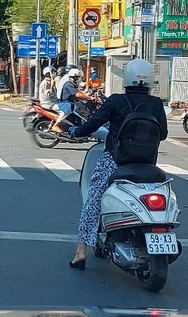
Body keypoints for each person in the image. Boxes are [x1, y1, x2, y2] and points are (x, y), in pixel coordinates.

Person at [66, 59, 169, 270]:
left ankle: (80, 252)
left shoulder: (116, 101)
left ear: (127, 79)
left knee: (93, 201)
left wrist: (76, 132)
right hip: (146, 165)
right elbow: (164, 134)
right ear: (150, 81)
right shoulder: (157, 104)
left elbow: (93, 124)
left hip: (115, 162)